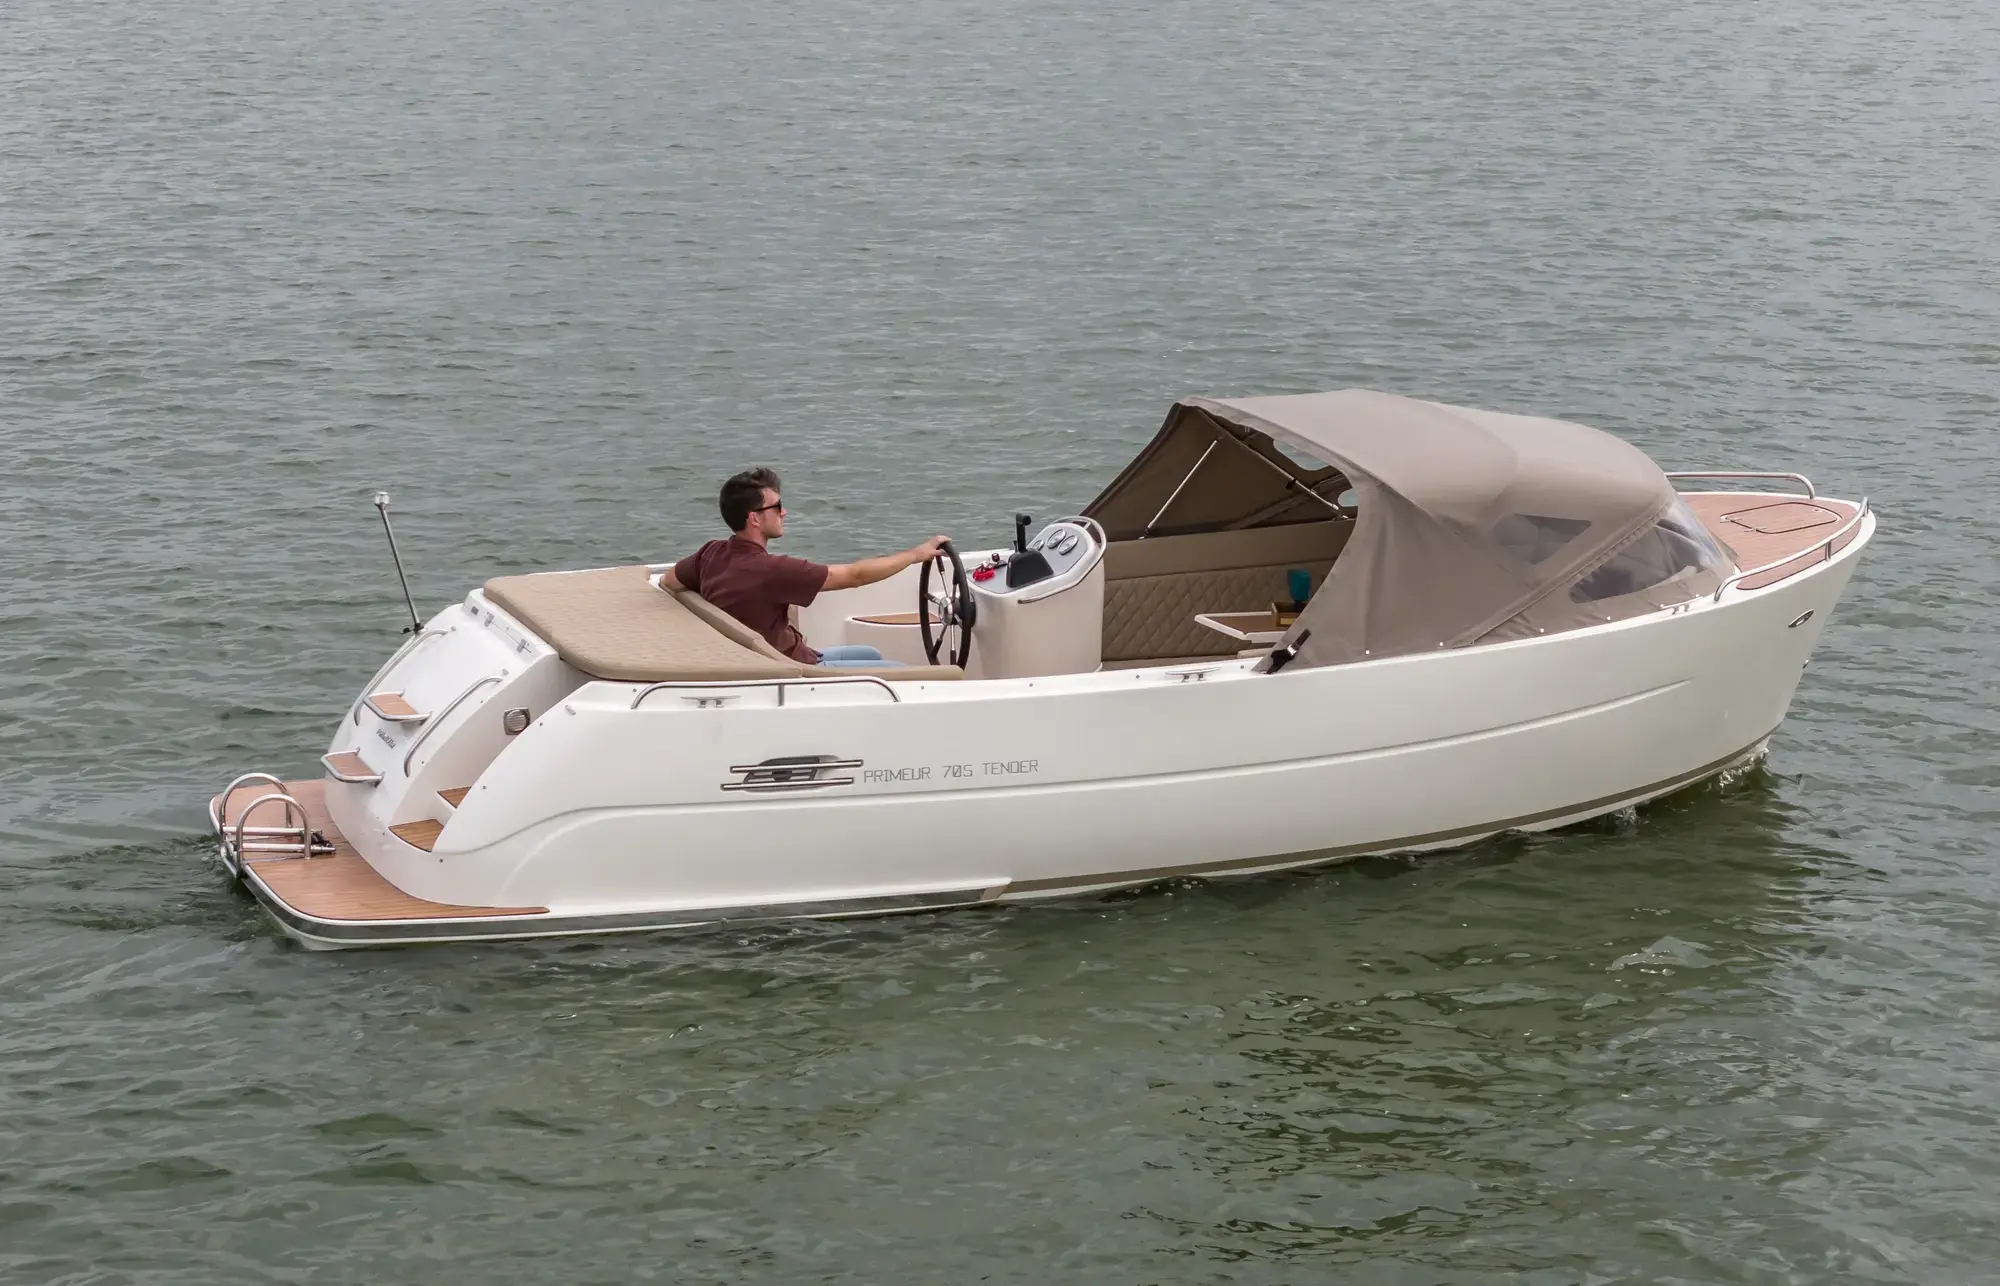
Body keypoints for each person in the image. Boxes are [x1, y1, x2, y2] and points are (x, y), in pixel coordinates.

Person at [658, 468, 948, 669]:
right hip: (794, 670)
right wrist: (915, 555)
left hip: (771, 656)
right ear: (754, 519)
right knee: (901, 672)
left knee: (870, 653)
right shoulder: (772, 570)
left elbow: (670, 581)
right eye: (777, 506)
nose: (784, 512)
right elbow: (854, 576)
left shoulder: (711, 553)